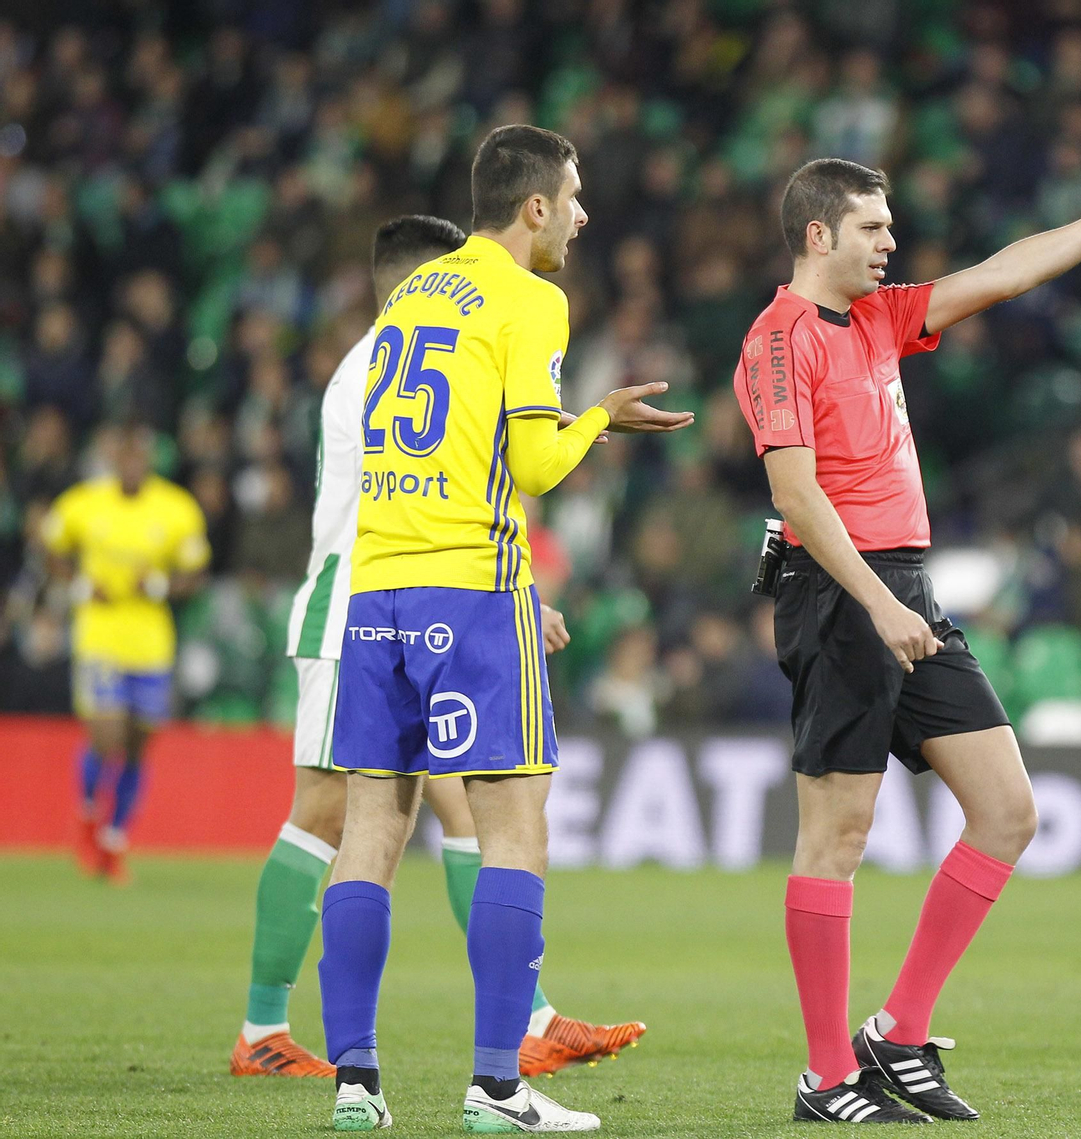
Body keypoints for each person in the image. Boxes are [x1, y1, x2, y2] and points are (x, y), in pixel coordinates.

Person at [733, 142, 1081, 1123]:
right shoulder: (779, 339)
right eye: (873, 226)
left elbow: (1001, 272)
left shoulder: (877, 316)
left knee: (1006, 810)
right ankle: (825, 1076)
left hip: (903, 588)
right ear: (817, 233)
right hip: (840, 593)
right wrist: (874, 600)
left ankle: (898, 1031)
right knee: (836, 836)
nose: (890, 242)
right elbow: (793, 490)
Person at [314, 125, 691, 1133]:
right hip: (473, 588)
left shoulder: (412, 295)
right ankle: (494, 1086)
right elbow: (533, 468)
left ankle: (355, 1080)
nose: (580, 214)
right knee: (514, 824)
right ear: (533, 207)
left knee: (370, 828)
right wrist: (599, 419)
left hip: (376, 585)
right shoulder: (532, 299)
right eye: (572, 197)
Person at [230, 217, 645, 1082]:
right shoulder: (379, 361)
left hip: (403, 598)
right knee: (329, 811)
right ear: (419, 280)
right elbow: (430, 495)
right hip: (363, 601)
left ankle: (525, 1019)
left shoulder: (380, 360)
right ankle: (265, 1023)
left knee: (457, 810)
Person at [41, 423, 209, 882]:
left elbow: (194, 572)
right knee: (107, 735)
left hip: (151, 642)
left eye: (140, 458)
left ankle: (114, 839)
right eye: (125, 457)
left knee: (138, 745)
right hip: (100, 636)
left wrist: (156, 585)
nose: (132, 465)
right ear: (115, 460)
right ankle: (88, 810)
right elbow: (51, 545)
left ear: (149, 462)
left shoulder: (175, 508)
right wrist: (77, 583)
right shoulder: (84, 503)